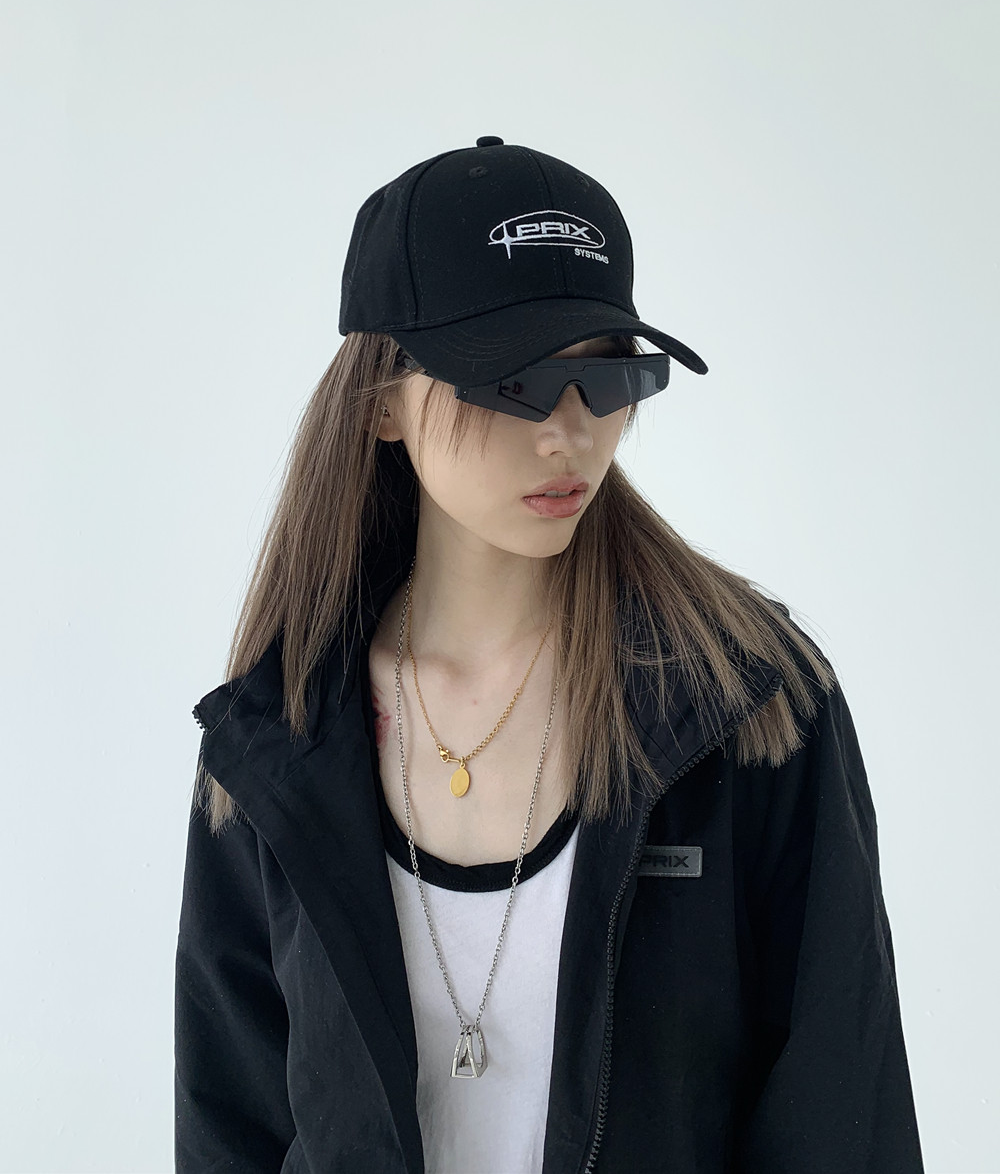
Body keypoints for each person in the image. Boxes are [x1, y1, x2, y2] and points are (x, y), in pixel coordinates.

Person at [174, 136, 924, 1173]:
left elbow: (843, 1111)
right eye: (512, 380)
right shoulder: (273, 745)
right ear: (382, 399)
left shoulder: (749, 709)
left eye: (608, 376)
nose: (569, 432)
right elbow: (232, 1126)